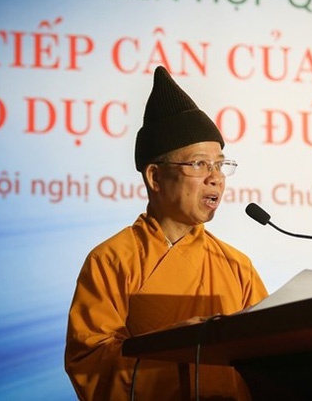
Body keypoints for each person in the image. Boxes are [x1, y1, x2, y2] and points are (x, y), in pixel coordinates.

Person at [64, 66, 268, 400]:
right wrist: (170, 349)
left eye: (220, 165)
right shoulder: (112, 260)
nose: (215, 178)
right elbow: (90, 363)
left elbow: (269, 354)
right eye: (199, 164)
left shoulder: (236, 266)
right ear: (155, 177)